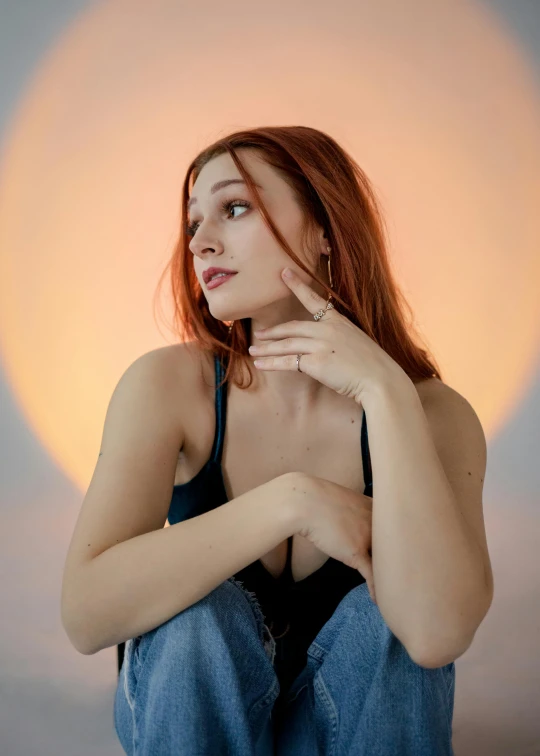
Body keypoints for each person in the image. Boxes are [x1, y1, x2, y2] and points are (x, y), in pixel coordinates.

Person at [61, 126, 493, 755]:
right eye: (193, 224)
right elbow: (85, 615)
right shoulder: (166, 386)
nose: (201, 241)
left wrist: (386, 391)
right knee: (192, 622)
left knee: (392, 620)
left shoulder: (434, 414)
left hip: (340, 729)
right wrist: (294, 500)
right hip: (199, 720)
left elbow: (433, 638)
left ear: (324, 229)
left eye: (234, 209)